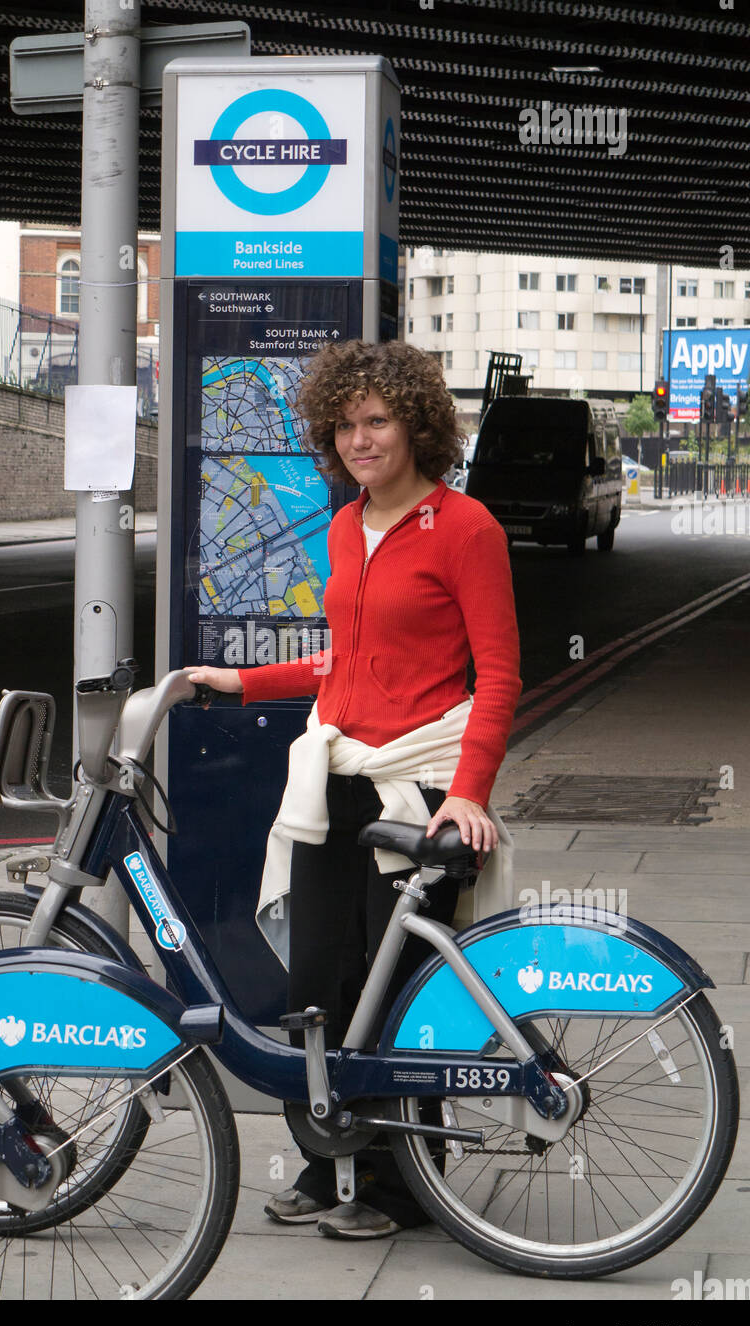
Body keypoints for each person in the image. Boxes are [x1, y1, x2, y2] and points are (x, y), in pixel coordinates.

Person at [185, 338, 521, 1239]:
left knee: (399, 987)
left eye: (377, 421)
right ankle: (330, 1158)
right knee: (322, 983)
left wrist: (470, 791)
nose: (360, 439)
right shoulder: (342, 526)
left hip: (418, 786)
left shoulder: (466, 528)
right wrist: (241, 682)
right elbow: (352, 661)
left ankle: (404, 1182)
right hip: (335, 779)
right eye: (345, 424)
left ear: (417, 424)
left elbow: (499, 676)